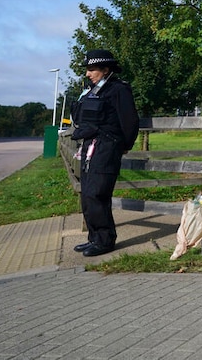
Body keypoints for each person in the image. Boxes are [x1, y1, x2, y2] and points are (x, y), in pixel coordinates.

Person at [70, 49, 139, 257]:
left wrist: (124, 145)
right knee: (87, 193)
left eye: (92, 69)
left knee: (98, 193)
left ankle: (105, 240)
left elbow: (130, 121)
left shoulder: (118, 90)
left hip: (107, 147)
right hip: (90, 146)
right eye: (87, 69)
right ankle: (94, 237)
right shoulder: (91, 91)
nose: (87, 74)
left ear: (105, 69)